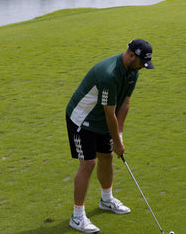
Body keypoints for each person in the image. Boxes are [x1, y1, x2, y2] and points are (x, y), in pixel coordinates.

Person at [66, 38, 154, 233]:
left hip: (102, 120)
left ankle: (106, 200)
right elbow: (109, 113)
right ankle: (77, 216)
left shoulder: (133, 71)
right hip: (82, 120)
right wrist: (116, 140)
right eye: (141, 63)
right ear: (131, 55)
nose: (142, 68)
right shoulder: (108, 74)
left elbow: (125, 104)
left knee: (106, 157)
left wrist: (119, 135)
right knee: (88, 163)